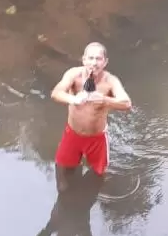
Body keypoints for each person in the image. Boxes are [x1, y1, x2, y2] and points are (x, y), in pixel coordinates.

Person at [50, 42, 132, 179]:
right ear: (84, 60)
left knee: (98, 174)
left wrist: (104, 99)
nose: (94, 63)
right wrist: (73, 99)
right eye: (90, 58)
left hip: (97, 138)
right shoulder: (74, 75)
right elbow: (56, 93)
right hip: (72, 134)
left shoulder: (110, 81)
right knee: (63, 171)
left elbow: (127, 103)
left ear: (105, 62)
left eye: (98, 59)